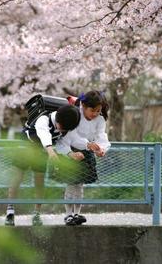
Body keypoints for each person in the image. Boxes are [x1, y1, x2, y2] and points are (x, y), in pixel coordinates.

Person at [5, 104, 81, 226]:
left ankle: (36, 213)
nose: (63, 131)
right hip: (25, 146)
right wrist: (51, 151)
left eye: (66, 129)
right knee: (17, 178)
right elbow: (44, 134)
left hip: (42, 150)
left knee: (39, 181)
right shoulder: (43, 119)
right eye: (63, 128)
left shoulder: (64, 127)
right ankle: (10, 211)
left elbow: (62, 143)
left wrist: (70, 153)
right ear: (58, 120)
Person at [55, 90, 111, 226]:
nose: (96, 114)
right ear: (84, 106)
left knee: (79, 185)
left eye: (99, 111)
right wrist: (88, 145)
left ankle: (77, 213)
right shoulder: (75, 114)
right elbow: (70, 137)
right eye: (93, 110)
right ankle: (68, 215)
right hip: (70, 150)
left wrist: (101, 149)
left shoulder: (99, 119)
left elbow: (101, 136)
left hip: (86, 152)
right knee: (71, 183)